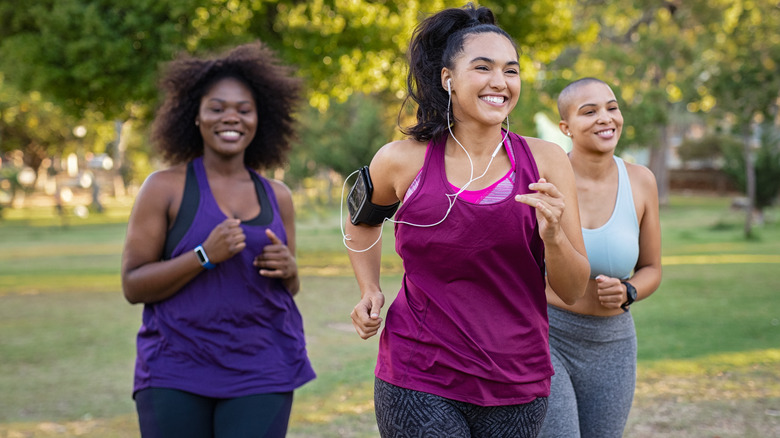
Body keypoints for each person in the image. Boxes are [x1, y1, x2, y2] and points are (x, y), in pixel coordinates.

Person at [344, 4, 590, 437]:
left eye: (511, 70)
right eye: (483, 67)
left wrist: (553, 236)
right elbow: (361, 219)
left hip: (517, 379)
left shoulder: (547, 161)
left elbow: (571, 290)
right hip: (418, 374)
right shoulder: (401, 161)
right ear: (448, 78)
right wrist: (369, 289)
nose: (500, 82)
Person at [120, 42, 315, 438]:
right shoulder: (164, 188)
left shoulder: (277, 196)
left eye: (244, 109)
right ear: (194, 115)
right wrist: (204, 255)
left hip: (262, 367)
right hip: (175, 368)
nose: (231, 118)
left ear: (261, 118)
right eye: (217, 107)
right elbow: (133, 284)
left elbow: (288, 288)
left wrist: (291, 271)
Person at [537, 78, 662, 438]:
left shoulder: (641, 181)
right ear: (566, 127)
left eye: (612, 107)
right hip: (548, 336)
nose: (605, 118)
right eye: (589, 111)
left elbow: (652, 268)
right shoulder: (544, 182)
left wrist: (629, 292)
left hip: (614, 344)